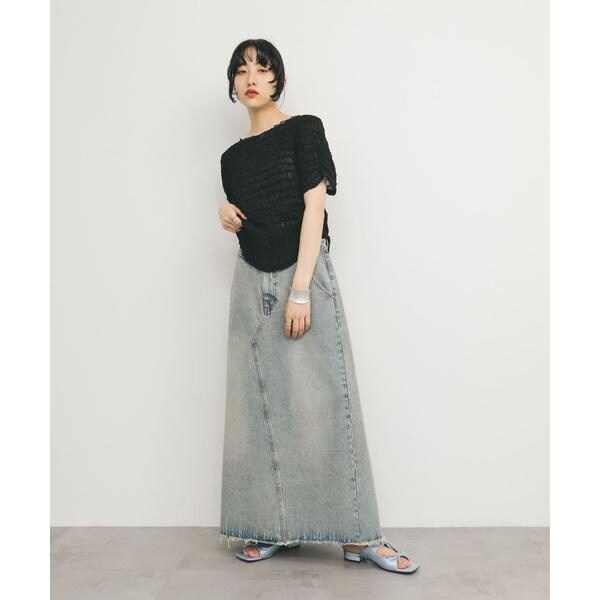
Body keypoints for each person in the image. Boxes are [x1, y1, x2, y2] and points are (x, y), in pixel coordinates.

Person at [216, 39, 419, 574]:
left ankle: (359, 535)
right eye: (241, 70)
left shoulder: (305, 129)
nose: (251, 77)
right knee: (256, 408)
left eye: (262, 68)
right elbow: (249, 216)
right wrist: (225, 211)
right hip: (250, 280)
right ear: (232, 84)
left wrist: (301, 289)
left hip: (302, 275)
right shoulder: (231, 159)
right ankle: (271, 527)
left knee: (329, 405)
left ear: (279, 80)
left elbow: (314, 208)